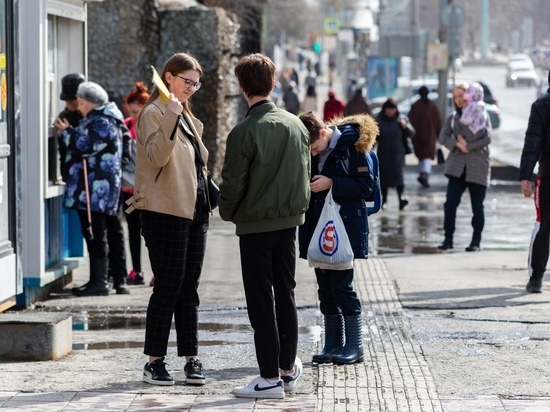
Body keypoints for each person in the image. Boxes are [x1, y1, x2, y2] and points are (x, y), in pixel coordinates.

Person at [218, 53, 310, 399]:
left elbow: (233, 185)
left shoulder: (243, 132)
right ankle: (287, 368)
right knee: (285, 294)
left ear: (241, 87)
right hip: (290, 224)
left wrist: (228, 212)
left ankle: (268, 377)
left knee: (260, 300)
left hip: (255, 226)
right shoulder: (296, 125)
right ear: (273, 83)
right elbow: (303, 173)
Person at [125, 52, 211, 386]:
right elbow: (157, 156)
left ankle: (191, 358)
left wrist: (181, 114)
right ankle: (153, 362)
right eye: (187, 81)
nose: (191, 88)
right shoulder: (154, 112)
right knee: (169, 286)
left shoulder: (184, 113)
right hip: (164, 211)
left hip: (194, 210)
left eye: (195, 83)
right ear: (169, 77)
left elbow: (199, 162)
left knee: (189, 287)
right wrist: (173, 114)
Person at [298, 111, 377, 365]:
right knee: (325, 289)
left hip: (343, 228)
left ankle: (354, 345)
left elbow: (366, 187)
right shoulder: (315, 149)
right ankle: (332, 343)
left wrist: (332, 182)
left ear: (323, 133)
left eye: (314, 147)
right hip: (317, 228)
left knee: (343, 287)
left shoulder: (353, 146)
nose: (313, 153)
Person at [56, 81, 126, 297]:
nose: (79, 106)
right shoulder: (102, 118)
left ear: (91, 103)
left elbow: (85, 146)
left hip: (97, 191)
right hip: (95, 189)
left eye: (82, 102)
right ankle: (99, 280)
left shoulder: (102, 121)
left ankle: (100, 282)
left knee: (95, 233)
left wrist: (67, 133)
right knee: (96, 233)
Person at [437, 83, 492, 252]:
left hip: (478, 165)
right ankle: (448, 238)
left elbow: (487, 137)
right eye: (455, 97)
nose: (459, 100)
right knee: (450, 204)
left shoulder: (482, 114)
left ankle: (476, 241)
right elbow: (442, 137)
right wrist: (457, 145)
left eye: (462, 96)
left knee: (477, 206)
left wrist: (469, 145)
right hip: (457, 166)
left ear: (469, 95)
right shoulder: (453, 117)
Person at [519, 70, 550, 293]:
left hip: (547, 175)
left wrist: (525, 175)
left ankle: (536, 278)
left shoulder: (541, 106)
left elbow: (533, 143)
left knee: (544, 225)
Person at [121, 82, 150, 287]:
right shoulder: (128, 125)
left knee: (150, 232)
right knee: (132, 230)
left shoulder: (151, 124)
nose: (133, 115)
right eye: (130, 111)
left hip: (148, 189)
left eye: (136, 111)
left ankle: (158, 272)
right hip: (129, 188)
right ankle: (137, 271)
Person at [375, 98, 415, 210]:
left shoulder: (401, 119)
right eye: (388, 108)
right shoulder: (379, 120)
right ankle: (385, 201)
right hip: (383, 153)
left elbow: (412, 133)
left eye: (392, 108)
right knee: (384, 177)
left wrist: (405, 126)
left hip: (398, 153)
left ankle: (401, 198)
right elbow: (373, 138)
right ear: (384, 109)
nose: (390, 111)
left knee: (399, 176)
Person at [408, 85, 442, 188]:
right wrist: (438, 134)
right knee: (427, 156)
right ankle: (425, 174)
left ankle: (423, 174)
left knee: (422, 156)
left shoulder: (415, 106)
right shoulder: (433, 106)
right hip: (430, 136)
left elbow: (410, 121)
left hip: (418, 137)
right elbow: (438, 122)